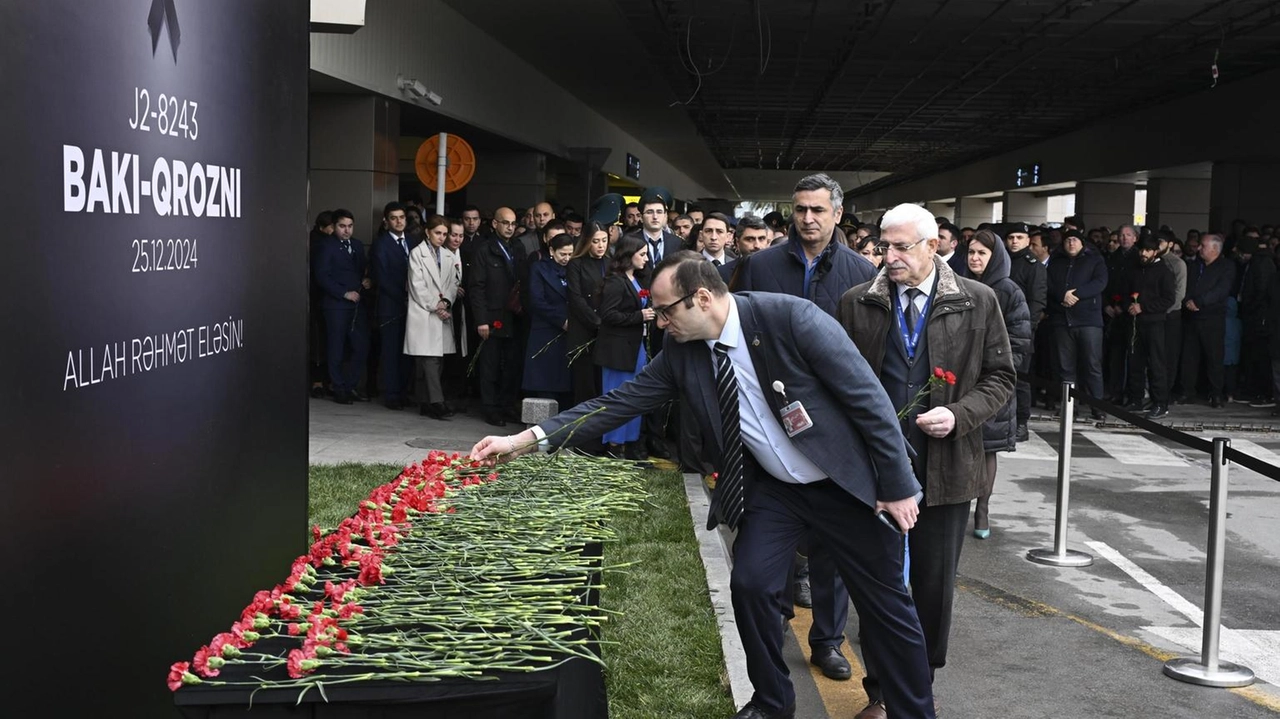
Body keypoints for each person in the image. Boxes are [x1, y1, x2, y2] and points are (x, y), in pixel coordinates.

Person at [472, 252, 936, 719]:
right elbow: (621, 400)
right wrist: (525, 439)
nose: (659, 320)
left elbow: (869, 400)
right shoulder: (682, 351)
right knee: (751, 585)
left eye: (667, 310)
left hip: (845, 483)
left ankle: (914, 711)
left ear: (702, 298)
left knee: (886, 608)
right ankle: (772, 703)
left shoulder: (790, 318)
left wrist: (896, 485)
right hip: (777, 490)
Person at [838, 203, 1014, 719]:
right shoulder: (856, 303)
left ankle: (920, 684)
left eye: (900, 247)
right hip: (875, 469)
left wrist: (960, 415)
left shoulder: (978, 301)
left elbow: (1002, 377)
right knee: (879, 583)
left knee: (933, 589)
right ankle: (879, 691)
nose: (887, 257)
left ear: (933, 246)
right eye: (882, 246)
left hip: (948, 467)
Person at [735, 173, 877, 681]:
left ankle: (827, 640)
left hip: (836, 428)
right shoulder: (761, 265)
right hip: (770, 422)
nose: (809, 218)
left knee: (831, 546)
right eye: (801, 209)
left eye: (819, 210)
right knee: (768, 532)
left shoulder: (863, 273)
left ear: (838, 214)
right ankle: (772, 620)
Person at [962, 230, 1031, 539]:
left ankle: (983, 507)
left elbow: (1019, 340)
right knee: (960, 446)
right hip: (959, 381)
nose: (975, 258)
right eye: (972, 252)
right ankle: (958, 505)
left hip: (992, 382)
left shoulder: (1009, 291)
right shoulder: (956, 283)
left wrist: (997, 372)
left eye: (982, 253)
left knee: (988, 449)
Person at [593, 235, 654, 459]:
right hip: (617, 351)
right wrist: (639, 316)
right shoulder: (615, 281)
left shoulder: (635, 279)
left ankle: (628, 443)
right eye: (642, 254)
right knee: (617, 397)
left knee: (634, 396)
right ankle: (614, 445)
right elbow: (608, 315)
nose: (646, 259)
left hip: (634, 348)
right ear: (629, 256)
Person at [469, 207, 525, 427]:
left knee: (511, 364)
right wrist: (481, 320)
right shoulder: (485, 250)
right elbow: (476, 287)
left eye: (513, 223)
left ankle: (506, 405)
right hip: (492, 316)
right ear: (495, 224)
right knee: (490, 365)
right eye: (505, 223)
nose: (510, 227)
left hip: (514, 315)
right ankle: (490, 408)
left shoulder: (517, 247)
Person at [1045, 229, 1108, 420]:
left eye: (1075, 240)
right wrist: (1062, 295)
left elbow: (1100, 282)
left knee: (1092, 365)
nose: (1071, 243)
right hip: (1062, 321)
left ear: (1082, 243)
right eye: (1068, 240)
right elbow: (1048, 284)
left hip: (1089, 320)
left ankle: (1098, 407)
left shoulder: (1095, 260)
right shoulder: (1056, 261)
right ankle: (1069, 407)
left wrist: (1076, 294)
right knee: (1065, 367)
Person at [312, 209, 370, 405]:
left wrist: (367, 281)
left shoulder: (357, 245)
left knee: (360, 346)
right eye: (342, 226)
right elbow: (321, 276)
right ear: (334, 226)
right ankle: (338, 388)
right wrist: (343, 293)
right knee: (336, 347)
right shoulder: (326, 246)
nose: (346, 230)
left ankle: (350, 385)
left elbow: (362, 269)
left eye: (350, 226)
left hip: (357, 303)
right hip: (336, 304)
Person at [405, 216, 459, 420]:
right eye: (438, 233)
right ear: (427, 232)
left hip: (442, 312)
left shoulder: (448, 255)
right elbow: (417, 286)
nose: (442, 237)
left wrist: (446, 302)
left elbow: (453, 284)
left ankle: (425, 402)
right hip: (424, 312)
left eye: (445, 234)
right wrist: (436, 305)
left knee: (436, 359)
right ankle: (437, 402)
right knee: (429, 360)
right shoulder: (416, 254)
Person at [1179, 233, 1237, 407]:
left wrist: (1200, 302)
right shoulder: (1194, 266)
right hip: (1192, 316)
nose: (1198, 248)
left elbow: (1221, 290)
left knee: (1214, 358)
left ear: (1214, 249)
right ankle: (1187, 391)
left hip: (1212, 318)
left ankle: (1216, 394)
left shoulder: (1226, 266)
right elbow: (1186, 286)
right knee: (1189, 357)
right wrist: (1188, 301)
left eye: (1203, 246)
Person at [1123, 235, 1176, 418]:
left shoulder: (1164, 272)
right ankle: (1135, 399)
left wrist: (1144, 307)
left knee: (1156, 364)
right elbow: (1125, 291)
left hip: (1155, 324)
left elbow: (1169, 299)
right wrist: (1128, 305)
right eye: (1141, 250)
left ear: (1155, 252)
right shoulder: (1135, 270)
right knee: (1135, 362)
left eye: (1147, 250)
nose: (1143, 254)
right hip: (1135, 323)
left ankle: (1161, 402)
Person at [522, 234, 576, 408]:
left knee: (567, 382)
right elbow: (537, 301)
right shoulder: (539, 268)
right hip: (546, 330)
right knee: (545, 381)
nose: (566, 258)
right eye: (563, 254)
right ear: (552, 251)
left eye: (570, 254)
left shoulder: (574, 268)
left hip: (571, 331)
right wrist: (561, 320)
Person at [1004, 222, 1047, 440]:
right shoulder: (1001, 262)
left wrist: (1025, 330)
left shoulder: (1034, 266)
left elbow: (1037, 302)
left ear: (1028, 240)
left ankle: (1021, 423)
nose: (1014, 241)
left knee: (1020, 380)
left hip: (1021, 332)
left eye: (1019, 237)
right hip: (998, 328)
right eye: (1011, 237)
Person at [371, 201, 414, 410]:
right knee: (390, 352)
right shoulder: (381, 244)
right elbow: (381, 278)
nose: (399, 221)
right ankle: (391, 394)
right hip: (391, 306)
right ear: (386, 221)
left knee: (407, 352)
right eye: (394, 218)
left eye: (402, 217)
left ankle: (403, 392)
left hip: (412, 307)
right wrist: (403, 296)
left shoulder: (413, 242)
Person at [567, 223, 609, 404]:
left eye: (604, 241)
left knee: (602, 385)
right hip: (584, 331)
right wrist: (597, 322)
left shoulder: (610, 262)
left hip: (607, 330)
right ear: (586, 242)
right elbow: (576, 298)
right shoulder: (576, 264)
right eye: (596, 241)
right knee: (585, 385)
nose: (601, 245)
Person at [308, 211, 335, 398]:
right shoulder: (320, 243)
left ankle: (321, 380)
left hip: (319, 298)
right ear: (322, 227)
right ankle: (318, 381)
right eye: (332, 226)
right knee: (319, 341)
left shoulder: (320, 241)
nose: (334, 230)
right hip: (318, 298)